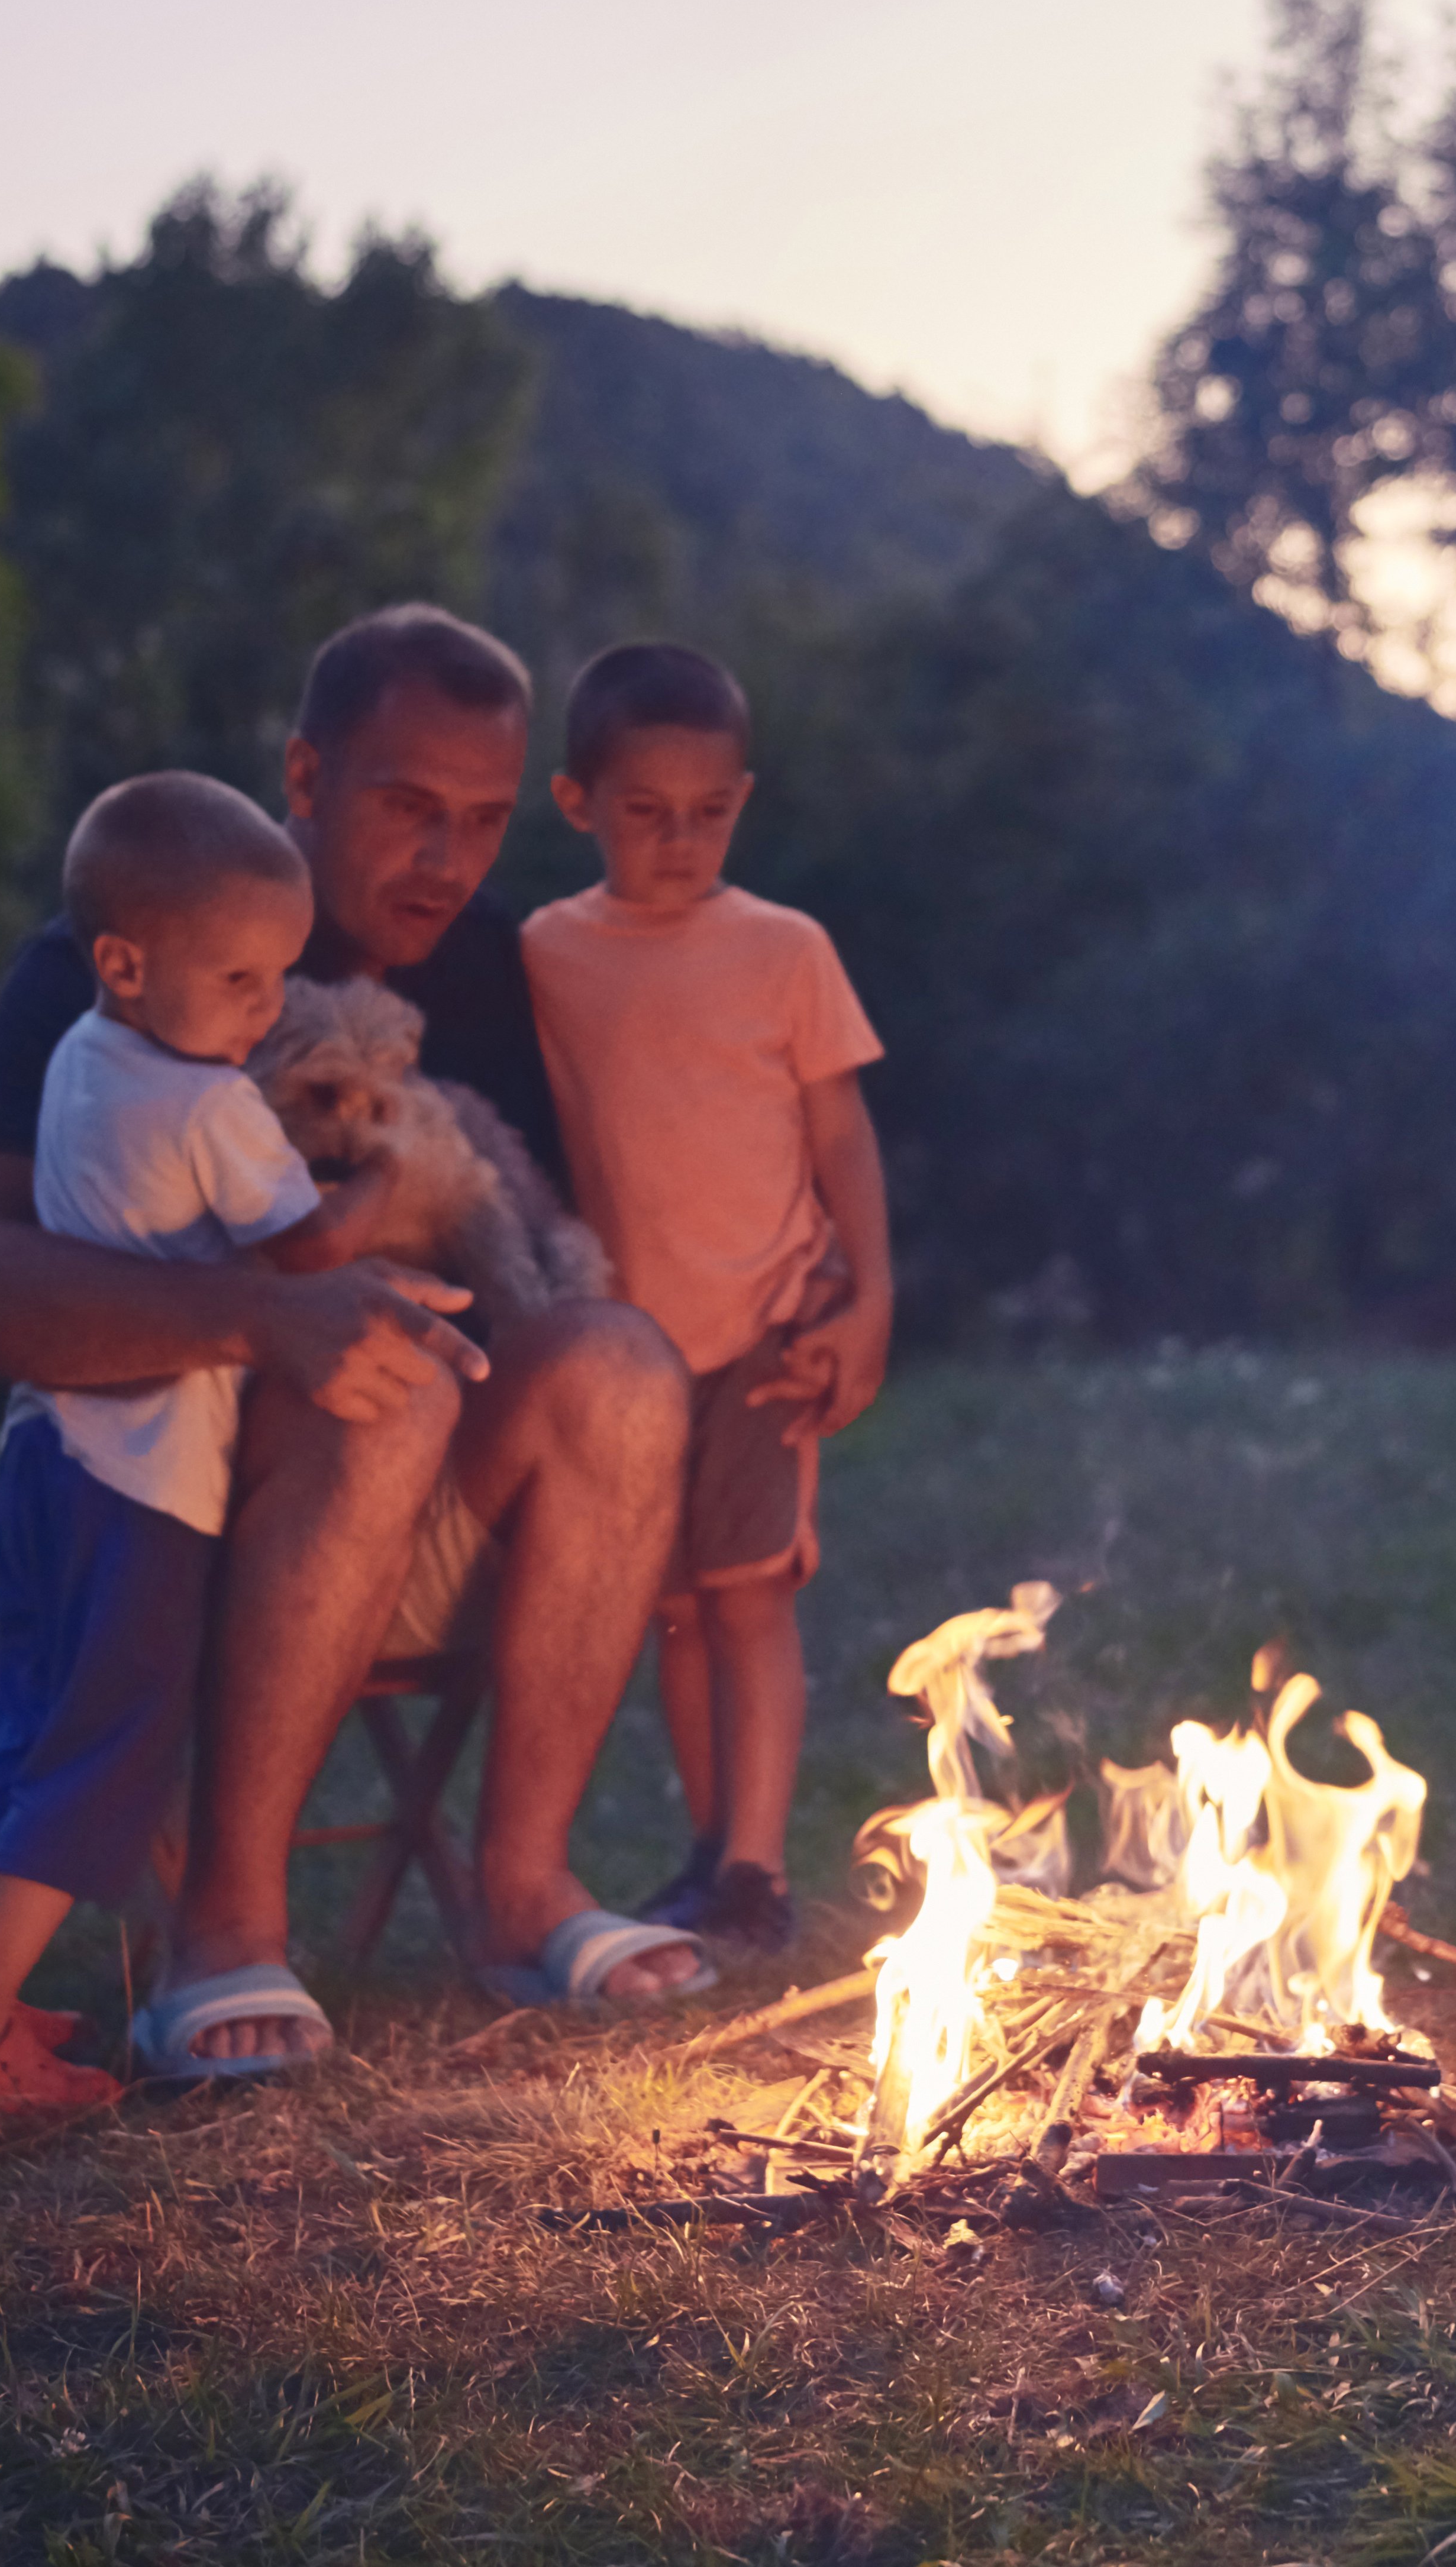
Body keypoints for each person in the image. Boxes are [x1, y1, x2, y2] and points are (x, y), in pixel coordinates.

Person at [0, 608, 714, 2076]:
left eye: (482, 819)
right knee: (374, 1382)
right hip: (187, 1515)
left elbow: (548, 1244)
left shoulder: (485, 968)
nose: (449, 860)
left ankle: (527, 1888)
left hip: (438, 1516)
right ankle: (224, 1927)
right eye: (410, 808)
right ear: (305, 773)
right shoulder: (139, 954)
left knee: (623, 1361)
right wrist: (266, 1316)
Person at [0, 776, 393, 2120]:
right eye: (239, 977)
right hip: (151, 1471)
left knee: (24, 1710)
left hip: (44, 1442)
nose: (267, 1010)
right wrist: (390, 1181)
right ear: (123, 961)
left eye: (279, 976)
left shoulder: (75, 1055)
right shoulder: (217, 1109)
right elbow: (310, 1254)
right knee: (114, 1736)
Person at [522, 642, 893, 1955]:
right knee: (677, 1602)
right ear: (576, 802)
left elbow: (841, 1134)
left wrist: (872, 1298)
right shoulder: (548, 954)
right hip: (630, 1342)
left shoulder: (784, 950)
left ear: (743, 797)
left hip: (768, 1323)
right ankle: (706, 1853)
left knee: (750, 1596)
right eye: (643, 812)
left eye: (710, 812)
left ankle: (756, 1864)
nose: (679, 841)